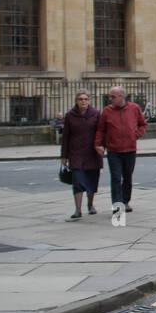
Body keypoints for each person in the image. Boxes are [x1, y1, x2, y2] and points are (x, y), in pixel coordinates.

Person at [94, 86, 146, 213]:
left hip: (130, 149)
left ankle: (125, 201)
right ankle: (117, 204)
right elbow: (101, 129)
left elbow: (143, 124)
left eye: (113, 96)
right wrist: (98, 144)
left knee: (127, 177)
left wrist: (136, 136)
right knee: (116, 177)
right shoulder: (107, 111)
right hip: (113, 150)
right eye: (109, 96)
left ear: (122, 97)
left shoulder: (134, 108)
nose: (110, 99)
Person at [61, 91, 102, 219]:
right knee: (77, 181)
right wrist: (64, 156)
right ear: (76, 101)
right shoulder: (70, 116)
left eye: (85, 99)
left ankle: (90, 204)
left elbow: (101, 132)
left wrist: (101, 146)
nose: (83, 101)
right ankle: (78, 209)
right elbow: (65, 136)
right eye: (80, 99)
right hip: (76, 153)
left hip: (92, 153)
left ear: (89, 100)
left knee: (91, 180)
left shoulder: (95, 114)